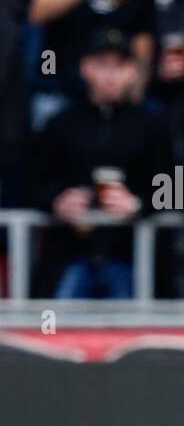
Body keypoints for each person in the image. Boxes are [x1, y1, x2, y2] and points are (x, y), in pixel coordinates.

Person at [30, 29, 170, 298]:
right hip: (70, 253)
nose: (111, 75)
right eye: (102, 65)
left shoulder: (152, 127)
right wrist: (57, 202)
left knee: (133, 337)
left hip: (130, 255)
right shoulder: (61, 124)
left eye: (120, 66)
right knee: (55, 335)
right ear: (86, 68)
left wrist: (138, 204)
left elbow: (174, 188)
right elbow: (32, 184)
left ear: (133, 71)